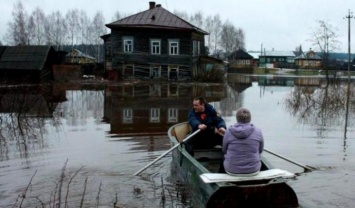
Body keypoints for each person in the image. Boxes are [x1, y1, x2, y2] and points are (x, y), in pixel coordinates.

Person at [220, 107, 264, 176]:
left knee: (224, 157)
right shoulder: (258, 131)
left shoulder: (228, 131)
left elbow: (224, 150)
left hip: (232, 171)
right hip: (253, 171)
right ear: (250, 118)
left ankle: (220, 176)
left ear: (237, 118)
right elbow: (260, 150)